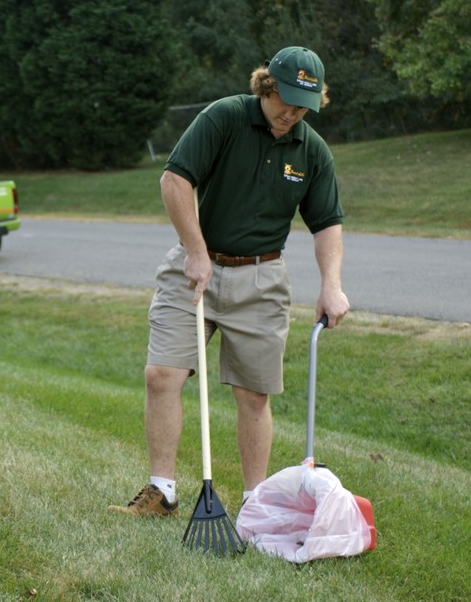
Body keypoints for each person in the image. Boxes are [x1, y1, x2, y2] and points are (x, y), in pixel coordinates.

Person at [108, 46, 350, 517]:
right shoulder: (224, 118)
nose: (293, 113)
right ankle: (163, 492)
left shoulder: (311, 150)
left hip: (262, 280)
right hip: (195, 269)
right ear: (268, 85)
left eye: (305, 105)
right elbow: (175, 180)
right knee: (162, 375)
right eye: (287, 101)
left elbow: (327, 224)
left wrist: (331, 285)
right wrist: (196, 251)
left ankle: (253, 504)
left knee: (254, 396)